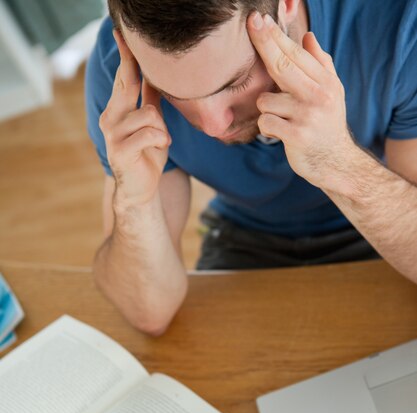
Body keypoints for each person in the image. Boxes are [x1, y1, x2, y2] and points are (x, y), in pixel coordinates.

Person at [86, 0, 417, 335]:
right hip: (244, 234)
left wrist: (339, 162)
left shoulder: (400, 22)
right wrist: (134, 202)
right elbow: (150, 314)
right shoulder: (119, 74)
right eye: (172, 93)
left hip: (380, 226)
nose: (214, 126)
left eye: (236, 82)